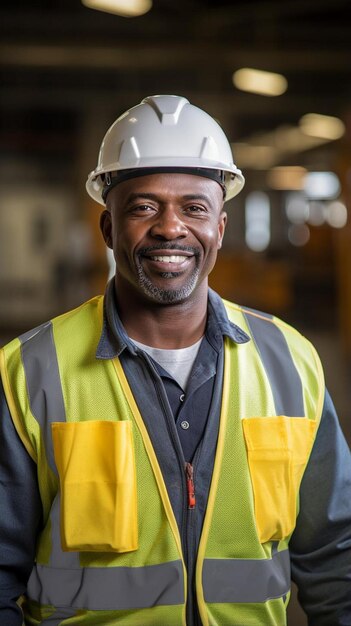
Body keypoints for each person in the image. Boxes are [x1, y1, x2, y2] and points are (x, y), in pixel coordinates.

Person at [0, 94, 350, 626]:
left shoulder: (290, 360)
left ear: (220, 229)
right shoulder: (28, 372)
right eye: (143, 207)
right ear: (108, 230)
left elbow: (336, 557)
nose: (170, 228)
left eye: (194, 207)